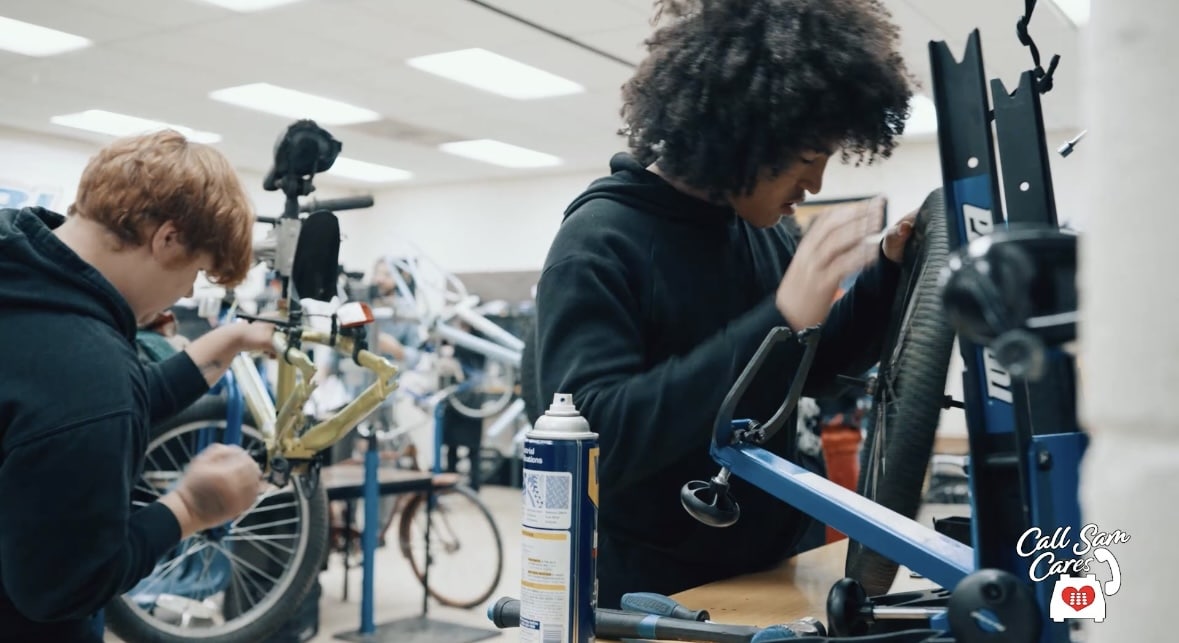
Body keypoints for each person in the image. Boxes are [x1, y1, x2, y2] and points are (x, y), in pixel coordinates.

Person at [527, 0, 919, 608]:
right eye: (809, 158)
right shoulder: (599, 243)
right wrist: (779, 316)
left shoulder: (760, 230)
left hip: (777, 564)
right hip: (662, 594)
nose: (814, 185)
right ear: (748, 135)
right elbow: (598, 438)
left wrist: (885, 276)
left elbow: (807, 373)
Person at [0, 130, 274, 641]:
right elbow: (61, 588)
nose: (188, 291)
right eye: (197, 272)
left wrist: (224, 343)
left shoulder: (22, 284)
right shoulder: (88, 376)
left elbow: (51, 419)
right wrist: (190, 509)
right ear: (167, 238)